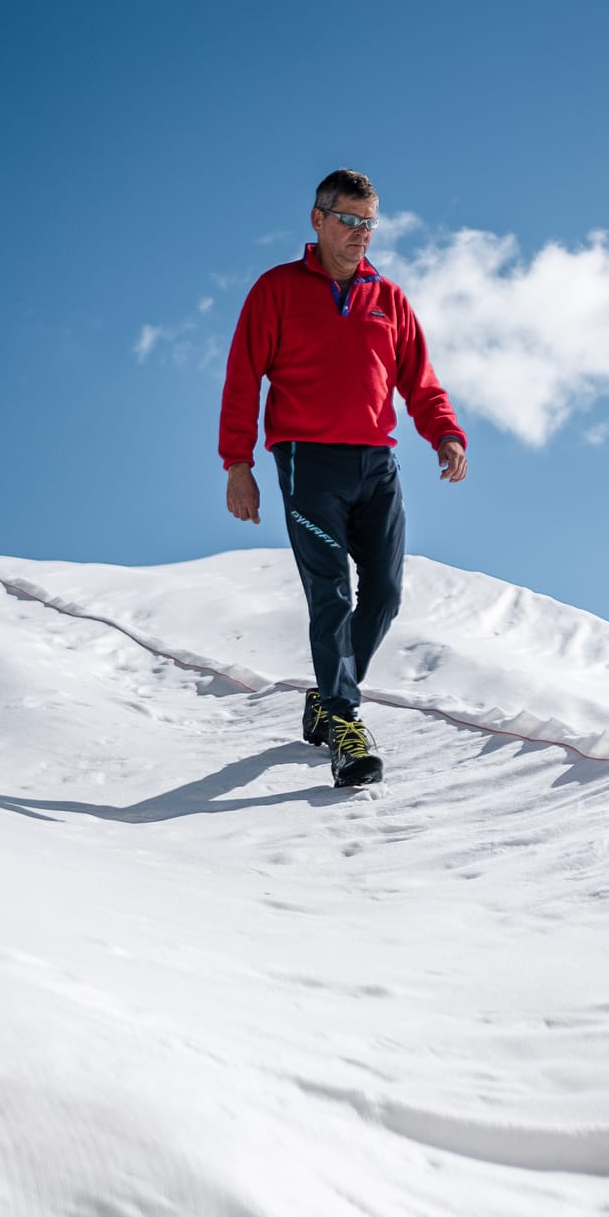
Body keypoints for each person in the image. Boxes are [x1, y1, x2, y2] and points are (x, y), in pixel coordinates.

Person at [219, 169, 469, 787]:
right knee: (329, 595)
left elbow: (419, 378)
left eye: (369, 223)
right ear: (318, 219)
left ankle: (329, 698)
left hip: (377, 464)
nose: (359, 235)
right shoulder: (276, 290)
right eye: (348, 221)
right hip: (309, 463)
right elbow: (242, 378)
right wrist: (238, 464)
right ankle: (345, 725)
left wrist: (445, 432)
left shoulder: (388, 298)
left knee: (384, 594)